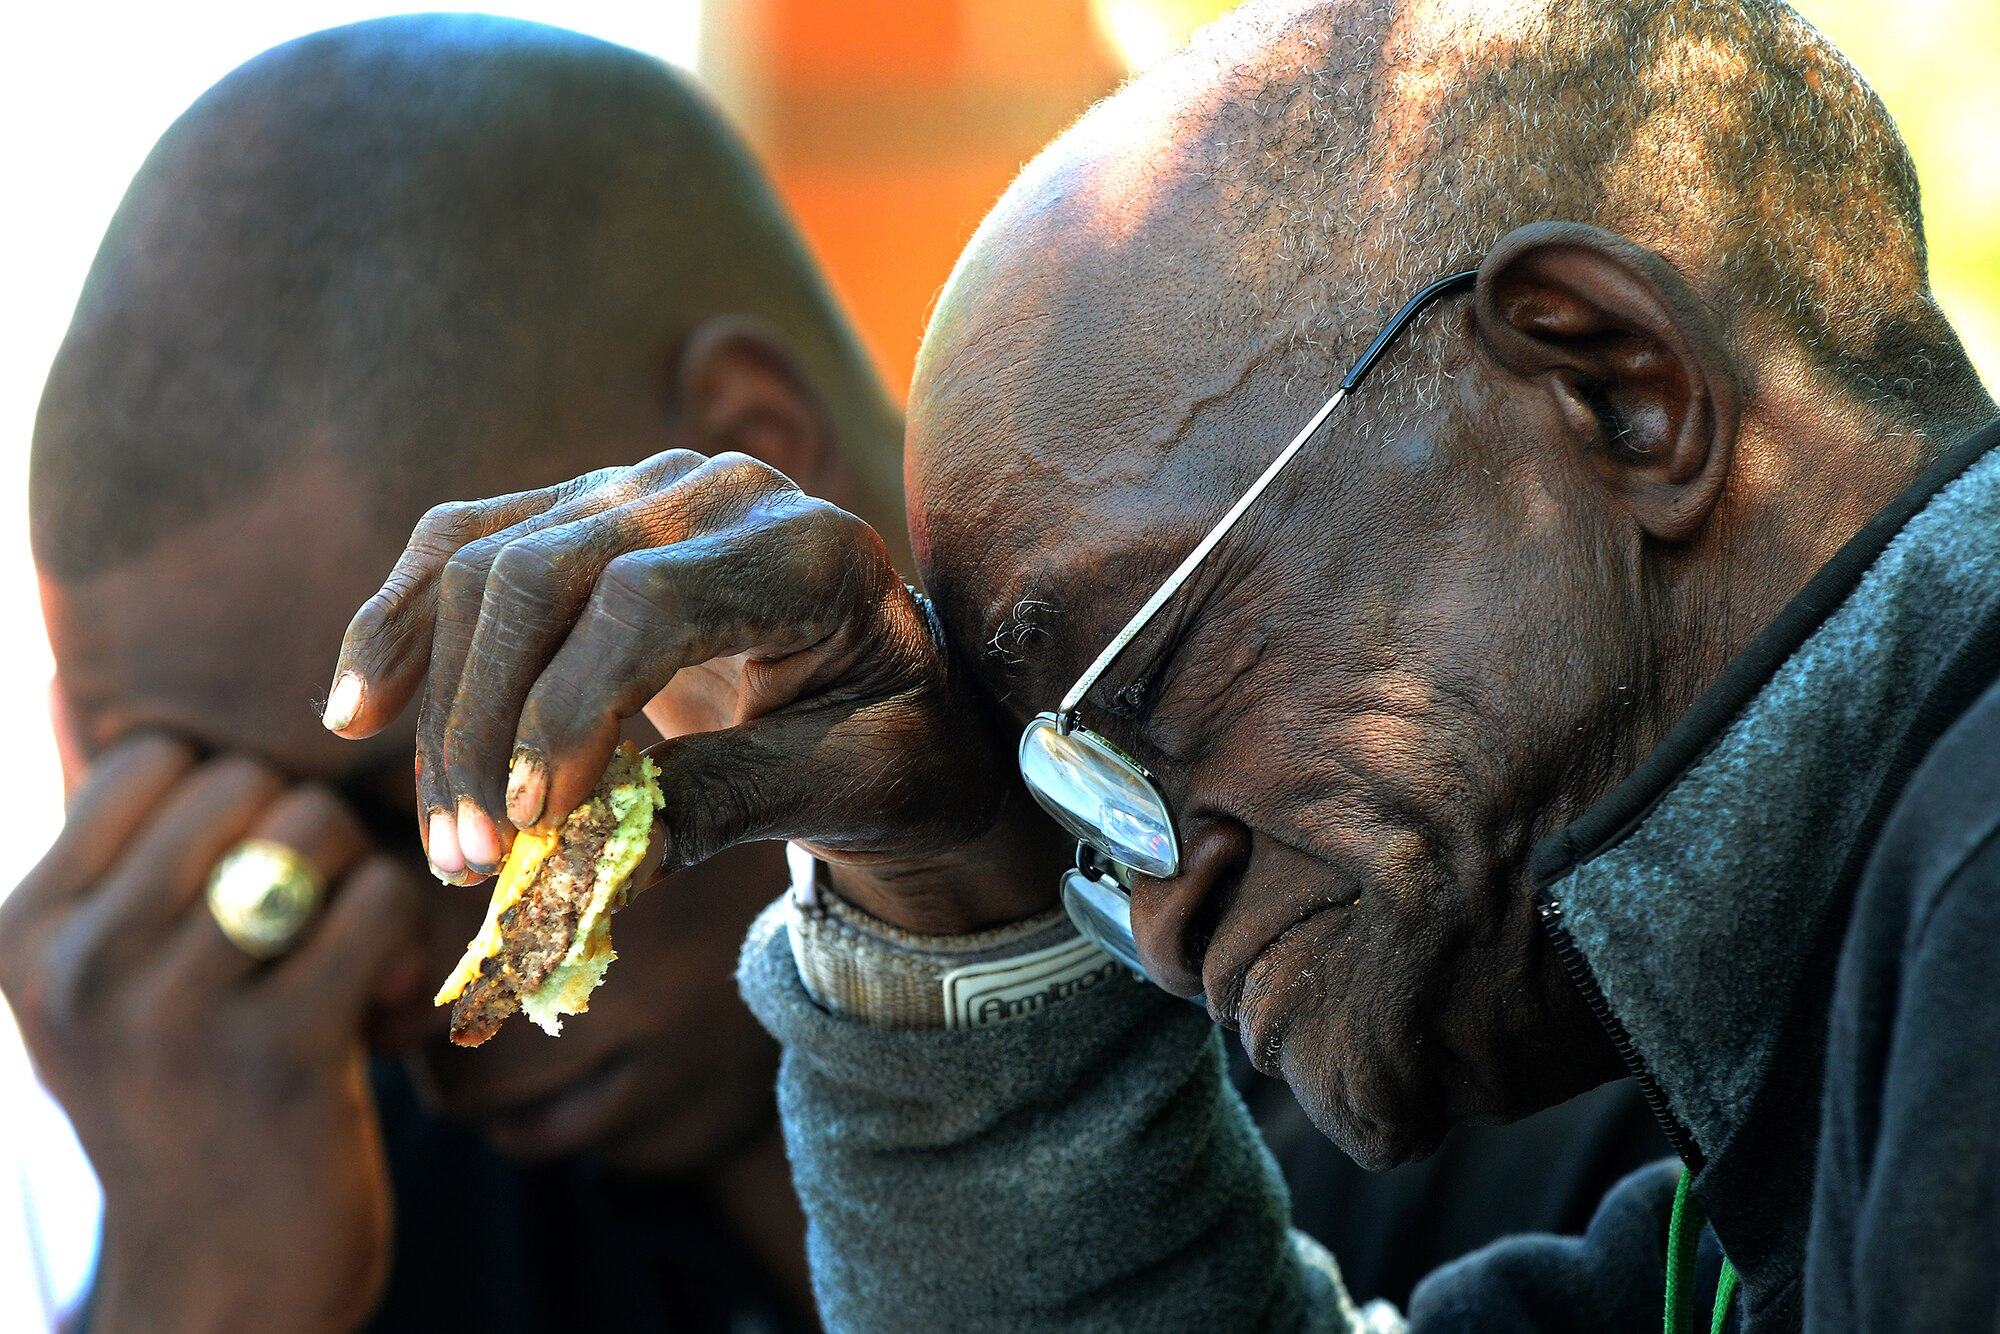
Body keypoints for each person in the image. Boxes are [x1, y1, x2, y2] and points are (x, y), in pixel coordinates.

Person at [328, 0, 2000, 1327]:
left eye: (1138, 690)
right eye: (1057, 779)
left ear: (1614, 385)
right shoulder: (1760, 1167)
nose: (1149, 907)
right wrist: (949, 915)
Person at [0, 15, 906, 1332]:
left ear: (747, 470)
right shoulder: (301, 1193)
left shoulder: (1274, 967)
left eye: (453, 786)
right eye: (256, 879)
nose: (407, 985)